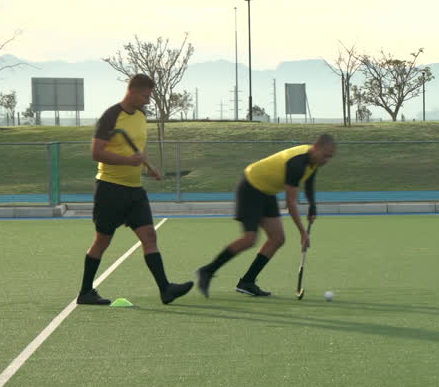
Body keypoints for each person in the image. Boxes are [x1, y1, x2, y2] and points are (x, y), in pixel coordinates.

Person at [75, 74, 193, 306]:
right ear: (133, 91)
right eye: (146, 96)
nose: (148, 101)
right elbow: (96, 153)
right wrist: (129, 161)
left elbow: (138, 151)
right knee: (102, 242)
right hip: (110, 189)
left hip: (134, 190)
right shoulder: (111, 116)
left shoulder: (141, 115)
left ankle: (165, 289)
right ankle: (86, 292)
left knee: (149, 236)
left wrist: (149, 167)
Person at [194, 135, 337, 297]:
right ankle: (207, 271)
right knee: (249, 239)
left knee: (277, 238)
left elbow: (309, 182)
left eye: (330, 157)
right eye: (326, 155)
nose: (327, 160)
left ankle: (247, 282)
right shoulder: (297, 163)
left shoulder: (314, 161)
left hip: (267, 191)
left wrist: (313, 206)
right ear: (316, 147)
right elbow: (291, 203)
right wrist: (303, 233)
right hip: (251, 186)